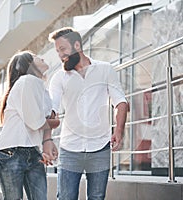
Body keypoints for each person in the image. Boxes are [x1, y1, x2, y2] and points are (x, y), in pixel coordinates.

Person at [48, 27, 128, 200]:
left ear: (77, 45)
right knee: (66, 197)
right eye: (57, 51)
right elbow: (52, 109)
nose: (61, 55)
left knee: (97, 197)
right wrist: (46, 137)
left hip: (100, 146)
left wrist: (119, 130)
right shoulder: (59, 78)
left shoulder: (105, 69)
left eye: (63, 49)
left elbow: (120, 102)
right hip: (70, 148)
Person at [0, 50, 60, 200]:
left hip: (33, 152)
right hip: (11, 152)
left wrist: (47, 142)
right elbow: (36, 122)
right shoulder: (26, 81)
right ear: (28, 64)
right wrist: (56, 122)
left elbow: (47, 119)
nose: (41, 57)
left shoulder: (42, 89)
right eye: (36, 57)